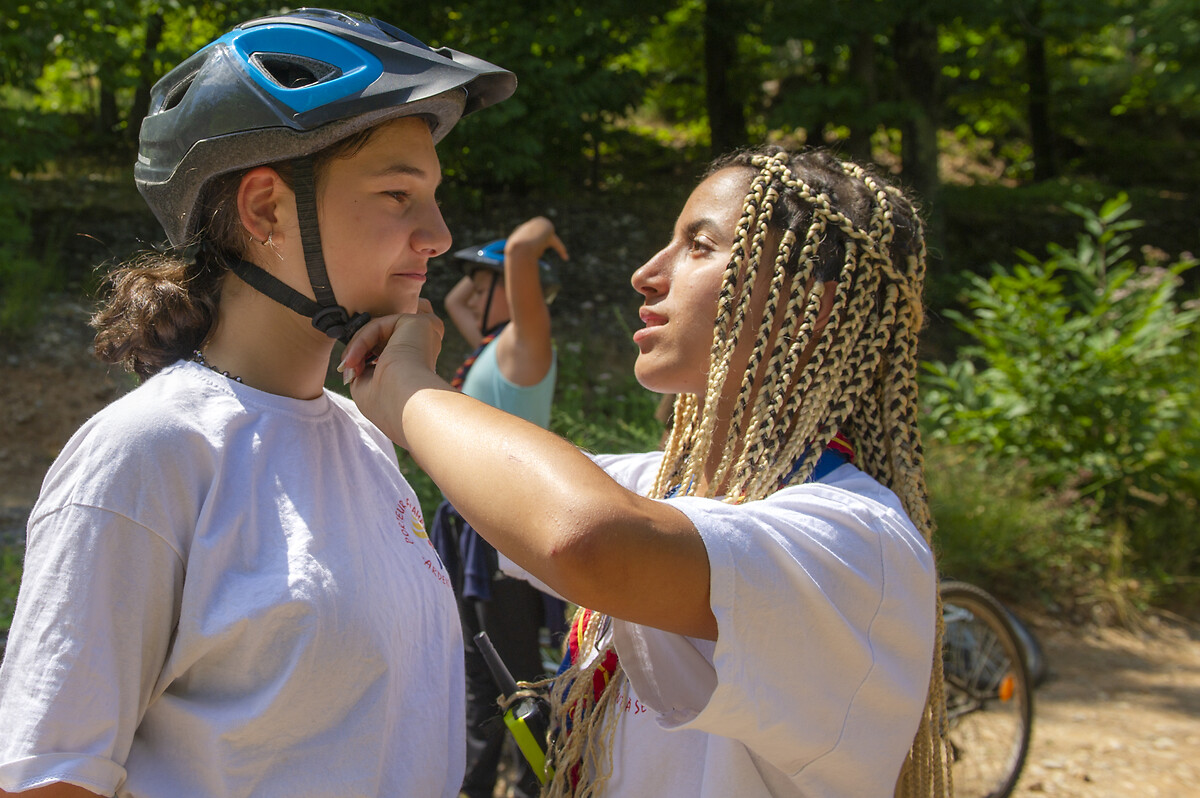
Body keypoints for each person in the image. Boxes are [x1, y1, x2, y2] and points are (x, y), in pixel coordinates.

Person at [0, 9, 514, 797]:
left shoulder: (363, 440)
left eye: (433, 196)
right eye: (397, 195)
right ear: (266, 210)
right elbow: (48, 778)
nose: (439, 235)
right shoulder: (147, 453)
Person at [341, 145, 953, 797]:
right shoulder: (660, 487)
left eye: (698, 245)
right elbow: (508, 486)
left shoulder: (860, 543)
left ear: (810, 302)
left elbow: (586, 538)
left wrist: (410, 388)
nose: (646, 274)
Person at [431, 220, 569, 798]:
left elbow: (517, 257)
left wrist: (526, 246)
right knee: (475, 673)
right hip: (468, 530)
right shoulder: (489, 350)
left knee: (517, 679)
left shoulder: (523, 348)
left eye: (484, 280)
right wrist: (482, 272)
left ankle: (544, 785)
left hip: (503, 534)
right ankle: (474, 785)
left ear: (517, 291)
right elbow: (455, 298)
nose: (471, 288)